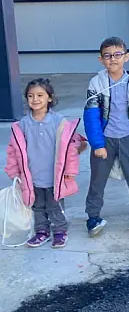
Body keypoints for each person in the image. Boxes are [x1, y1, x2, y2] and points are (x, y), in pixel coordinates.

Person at [4, 79, 86, 249]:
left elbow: (70, 148)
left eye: (40, 95)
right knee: (38, 206)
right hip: (32, 175)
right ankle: (41, 231)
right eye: (31, 96)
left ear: (50, 98)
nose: (35, 99)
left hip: (54, 175)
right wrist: (14, 172)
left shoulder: (58, 121)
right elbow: (13, 150)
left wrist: (70, 170)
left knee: (55, 206)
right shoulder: (23, 124)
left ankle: (60, 231)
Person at [84, 37, 129, 236]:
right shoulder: (97, 82)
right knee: (97, 179)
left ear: (126, 57)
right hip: (105, 138)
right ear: (101, 60)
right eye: (107, 56)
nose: (112, 59)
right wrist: (97, 144)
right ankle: (93, 216)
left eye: (117, 55)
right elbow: (91, 116)